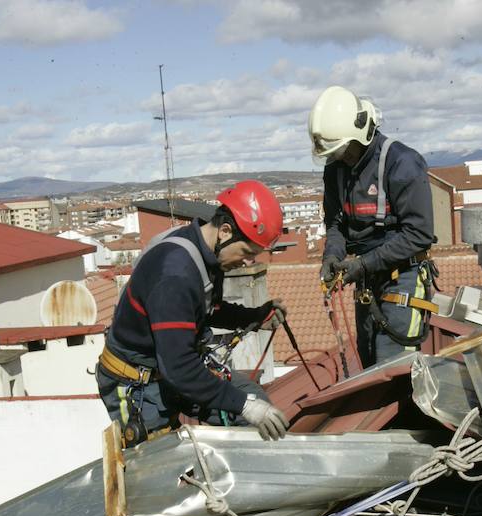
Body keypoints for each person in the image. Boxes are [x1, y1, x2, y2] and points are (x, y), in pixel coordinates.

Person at [96, 180, 290, 446]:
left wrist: (254, 317)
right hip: (137, 383)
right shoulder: (175, 274)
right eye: (247, 252)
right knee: (161, 462)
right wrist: (245, 406)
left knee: (253, 404)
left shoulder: (206, 253)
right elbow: (179, 367)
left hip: (171, 368)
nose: (248, 262)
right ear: (224, 231)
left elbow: (206, 307)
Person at [309, 85, 437, 369]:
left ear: (361, 133)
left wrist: (363, 265)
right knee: (369, 360)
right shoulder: (336, 170)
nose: (340, 157)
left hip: (403, 275)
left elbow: (419, 234)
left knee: (391, 366)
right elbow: (336, 223)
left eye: (343, 149)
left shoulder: (402, 164)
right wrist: (332, 255)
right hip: (367, 279)